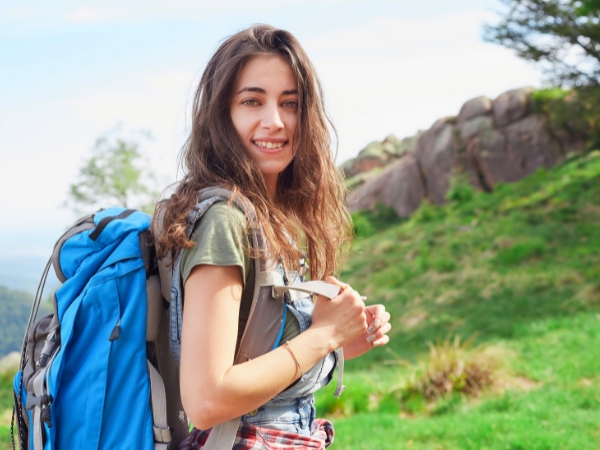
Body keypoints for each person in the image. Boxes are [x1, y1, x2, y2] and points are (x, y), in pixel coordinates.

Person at [153, 24, 391, 449]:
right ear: (221, 114)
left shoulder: (269, 218)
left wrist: (339, 343)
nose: (275, 121)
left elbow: (259, 373)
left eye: (290, 103)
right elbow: (207, 399)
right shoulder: (225, 221)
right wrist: (322, 336)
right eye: (252, 101)